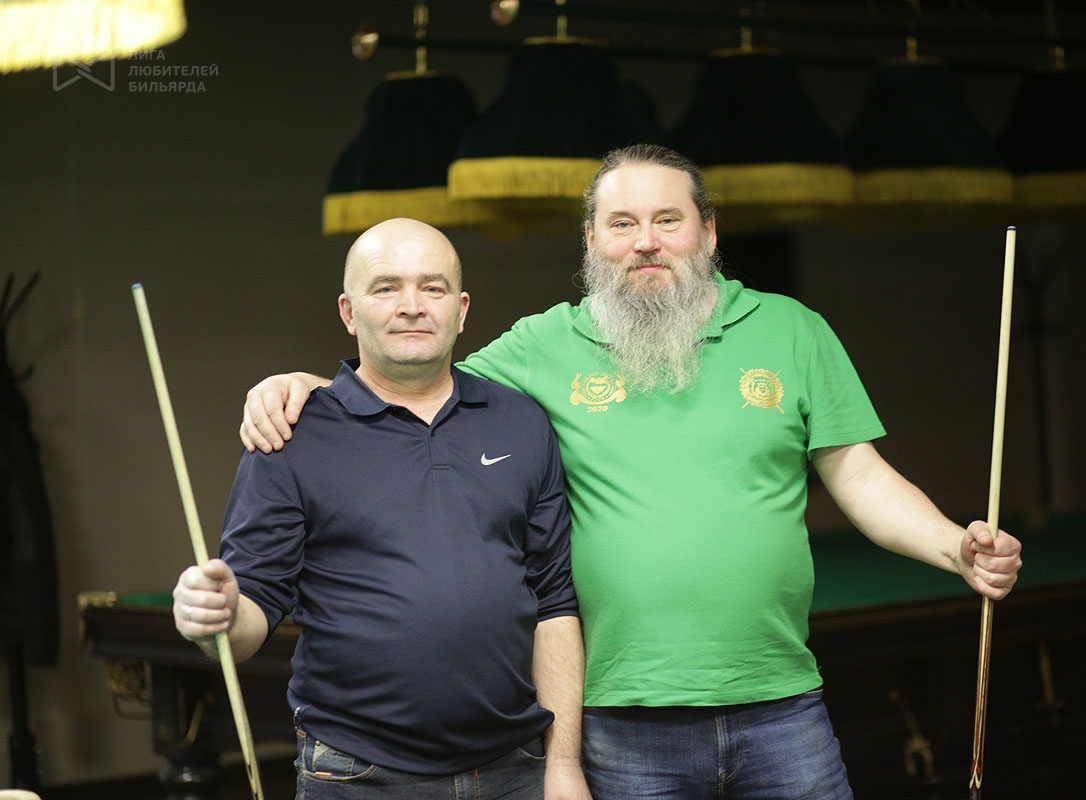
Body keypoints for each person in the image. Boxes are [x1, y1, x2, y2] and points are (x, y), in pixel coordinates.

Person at [238, 145, 1023, 800]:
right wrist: (305, 386)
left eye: (666, 220)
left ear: (707, 232)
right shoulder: (541, 346)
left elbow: (862, 477)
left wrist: (955, 547)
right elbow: (415, 378)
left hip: (780, 701)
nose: (645, 241)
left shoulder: (793, 330)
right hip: (616, 717)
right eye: (621, 224)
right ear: (591, 242)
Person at [174, 218, 591, 800]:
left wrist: (564, 763)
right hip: (356, 775)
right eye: (386, 287)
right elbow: (252, 613)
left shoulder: (522, 422)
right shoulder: (290, 434)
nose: (412, 305)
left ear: (461, 310)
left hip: (513, 770)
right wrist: (213, 619)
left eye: (433, 287)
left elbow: (554, 603)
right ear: (349, 312)